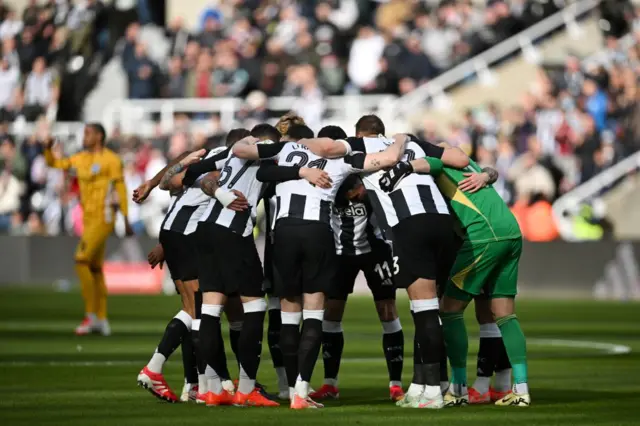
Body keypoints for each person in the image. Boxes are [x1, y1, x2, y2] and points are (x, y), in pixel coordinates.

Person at [299, 115, 468, 409]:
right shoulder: (413, 142)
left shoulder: (359, 146)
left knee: (424, 311)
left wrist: (300, 141)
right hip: (443, 223)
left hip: (410, 224)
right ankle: (425, 385)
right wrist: (406, 141)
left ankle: (432, 394)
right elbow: (461, 159)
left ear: (358, 133)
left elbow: (326, 149)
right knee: (431, 310)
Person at [233, 123, 408, 409]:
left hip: (285, 232)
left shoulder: (286, 149)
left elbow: (254, 163)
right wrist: (401, 139)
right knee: (315, 313)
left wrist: (298, 169)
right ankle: (302, 390)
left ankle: (290, 389)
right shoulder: (343, 160)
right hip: (318, 233)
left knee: (289, 316)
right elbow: (388, 158)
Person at [378, 147, 530, 407]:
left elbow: (430, 163)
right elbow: (488, 171)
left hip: (484, 234)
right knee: (504, 313)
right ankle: (521, 390)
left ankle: (458, 389)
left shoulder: (438, 170)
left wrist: (401, 169)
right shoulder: (468, 165)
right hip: (511, 231)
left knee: (449, 309)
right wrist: (487, 175)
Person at [304, 125, 405, 402]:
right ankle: (330, 383)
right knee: (331, 315)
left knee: (388, 311)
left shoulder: (358, 163)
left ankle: (395, 384)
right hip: (339, 253)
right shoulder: (317, 173)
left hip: (375, 250)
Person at [44, 123, 133, 336]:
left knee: (81, 260)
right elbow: (55, 163)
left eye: (88, 133)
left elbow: (120, 189)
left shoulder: (111, 159)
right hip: (87, 219)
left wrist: (126, 218)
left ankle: (90, 316)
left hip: (104, 217)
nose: (84, 137)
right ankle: (101, 319)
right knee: (95, 268)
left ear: (99, 136)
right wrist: (47, 149)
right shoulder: (80, 158)